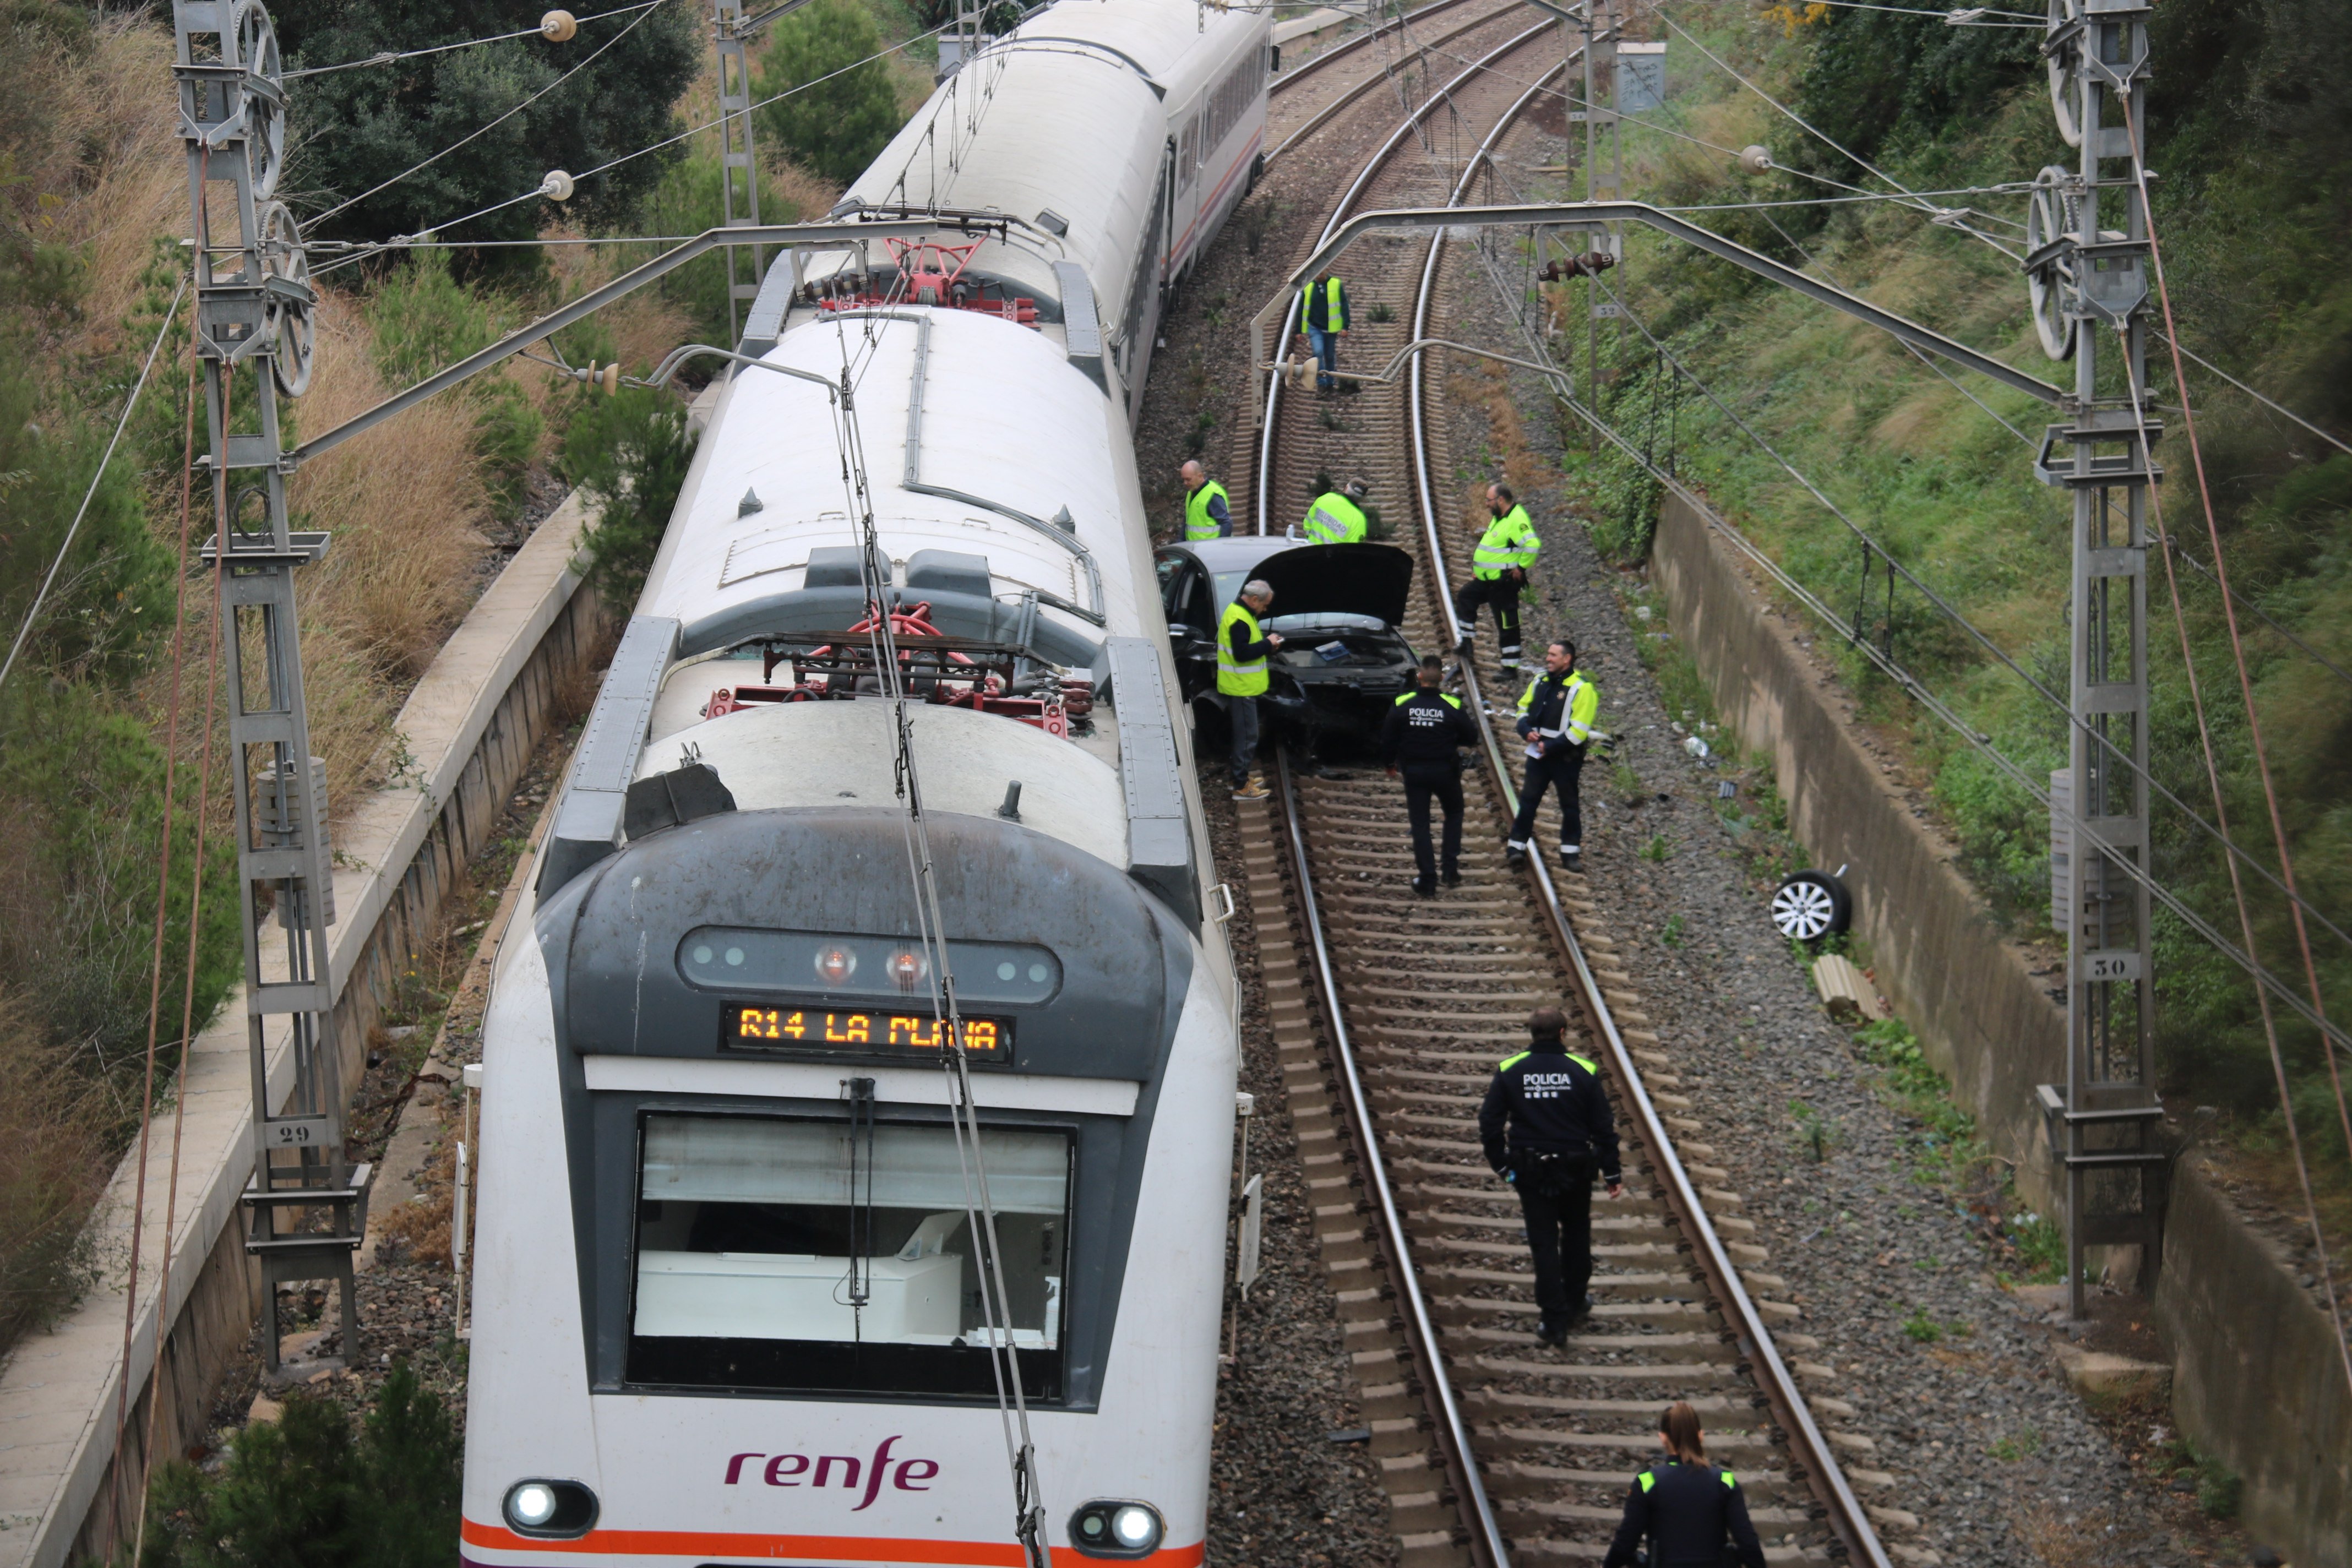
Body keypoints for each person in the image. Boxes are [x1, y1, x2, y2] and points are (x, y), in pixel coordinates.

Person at [1478, 1006, 1621, 1344]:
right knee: (1576, 1235)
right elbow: (1603, 1127)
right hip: (1575, 1169)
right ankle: (1574, 1301)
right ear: (1562, 1033)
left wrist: (1502, 1165)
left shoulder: (1510, 1070)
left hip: (1530, 1172)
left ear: (1531, 1033)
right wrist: (1612, 1171)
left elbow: (1489, 1124)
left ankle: (1554, 1321)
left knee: (1543, 1243)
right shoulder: (1583, 1070)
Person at [1602, 1403, 1767, 1568]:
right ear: (1700, 1436)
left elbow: (1625, 1544)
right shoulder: (1724, 1481)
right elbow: (1748, 1544)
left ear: (1663, 1438)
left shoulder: (1648, 1482)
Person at [1380, 654, 1479, 896]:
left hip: (1414, 773)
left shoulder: (1403, 702)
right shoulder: (1453, 705)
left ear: (1420, 676)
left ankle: (1427, 880)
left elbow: (1388, 738)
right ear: (1442, 678)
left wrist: (1389, 764)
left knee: (1421, 825)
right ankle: (1450, 870)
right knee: (1454, 813)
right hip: (1446, 772)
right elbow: (1470, 737)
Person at [1507, 640, 1608, 874]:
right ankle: (1516, 848)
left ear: (1567, 659)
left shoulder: (1583, 689)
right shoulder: (1540, 680)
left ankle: (1570, 853)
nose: (1548, 658)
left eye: (1553, 655)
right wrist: (1525, 730)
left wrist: (1549, 747)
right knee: (1528, 801)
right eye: (1548, 654)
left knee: (1569, 805)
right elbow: (1522, 708)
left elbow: (1579, 731)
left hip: (1565, 759)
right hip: (1539, 754)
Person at [1452, 483, 1540, 679]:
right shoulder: (1500, 517)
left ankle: (1510, 668)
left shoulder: (1516, 519)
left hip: (1503, 583)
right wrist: (1481, 570)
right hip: (1488, 581)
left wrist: (1521, 568)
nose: (1486, 504)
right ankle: (1467, 644)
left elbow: (1533, 544)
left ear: (1501, 500)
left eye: (1488, 500)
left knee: (1507, 624)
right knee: (1466, 596)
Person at [1218, 579, 1284, 801]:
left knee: (1245, 736)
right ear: (1255, 600)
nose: (1265, 609)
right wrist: (1268, 643)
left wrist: (1268, 645)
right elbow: (1242, 654)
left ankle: (1240, 778)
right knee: (1247, 737)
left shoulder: (1239, 612)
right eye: (1265, 605)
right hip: (1241, 688)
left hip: (1240, 686)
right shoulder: (1240, 619)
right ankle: (1240, 785)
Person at [1295, 273, 1351, 393]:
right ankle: (1321, 383)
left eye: (1322, 272)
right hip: (1315, 328)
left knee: (1329, 356)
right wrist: (1298, 330)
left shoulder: (1336, 284)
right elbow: (1301, 309)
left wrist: (1345, 326)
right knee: (1318, 352)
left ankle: (1330, 383)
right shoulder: (1309, 286)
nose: (1319, 275)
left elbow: (1344, 304)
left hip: (1331, 329)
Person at [1300, 477, 1370, 545]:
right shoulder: (1359, 519)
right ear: (1362, 498)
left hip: (1311, 553)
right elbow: (1354, 550)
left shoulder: (1326, 498)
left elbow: (1307, 525)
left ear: (1346, 488)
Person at [1180, 460, 1231, 541]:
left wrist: (1219, 547)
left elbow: (1226, 524)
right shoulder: (1191, 492)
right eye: (1183, 480)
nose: (1185, 483)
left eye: (1188, 480)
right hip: (1194, 548)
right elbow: (1187, 521)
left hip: (1209, 550)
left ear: (1200, 476)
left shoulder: (1212, 495)